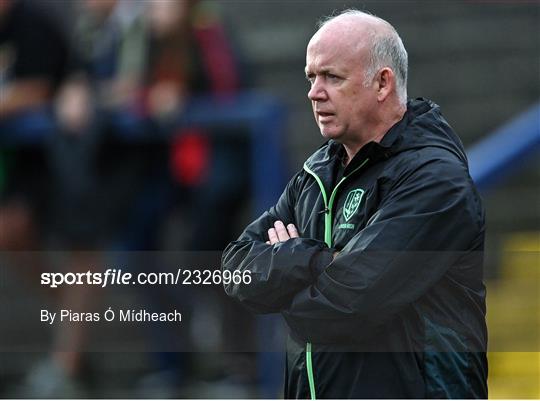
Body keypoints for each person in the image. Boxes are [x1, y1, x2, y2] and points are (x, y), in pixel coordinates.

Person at [222, 9, 487, 399]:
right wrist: (317, 261)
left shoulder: (436, 180)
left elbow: (342, 307)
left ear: (382, 83)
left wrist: (283, 273)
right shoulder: (316, 173)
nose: (314, 92)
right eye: (311, 77)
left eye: (332, 77)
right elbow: (235, 268)